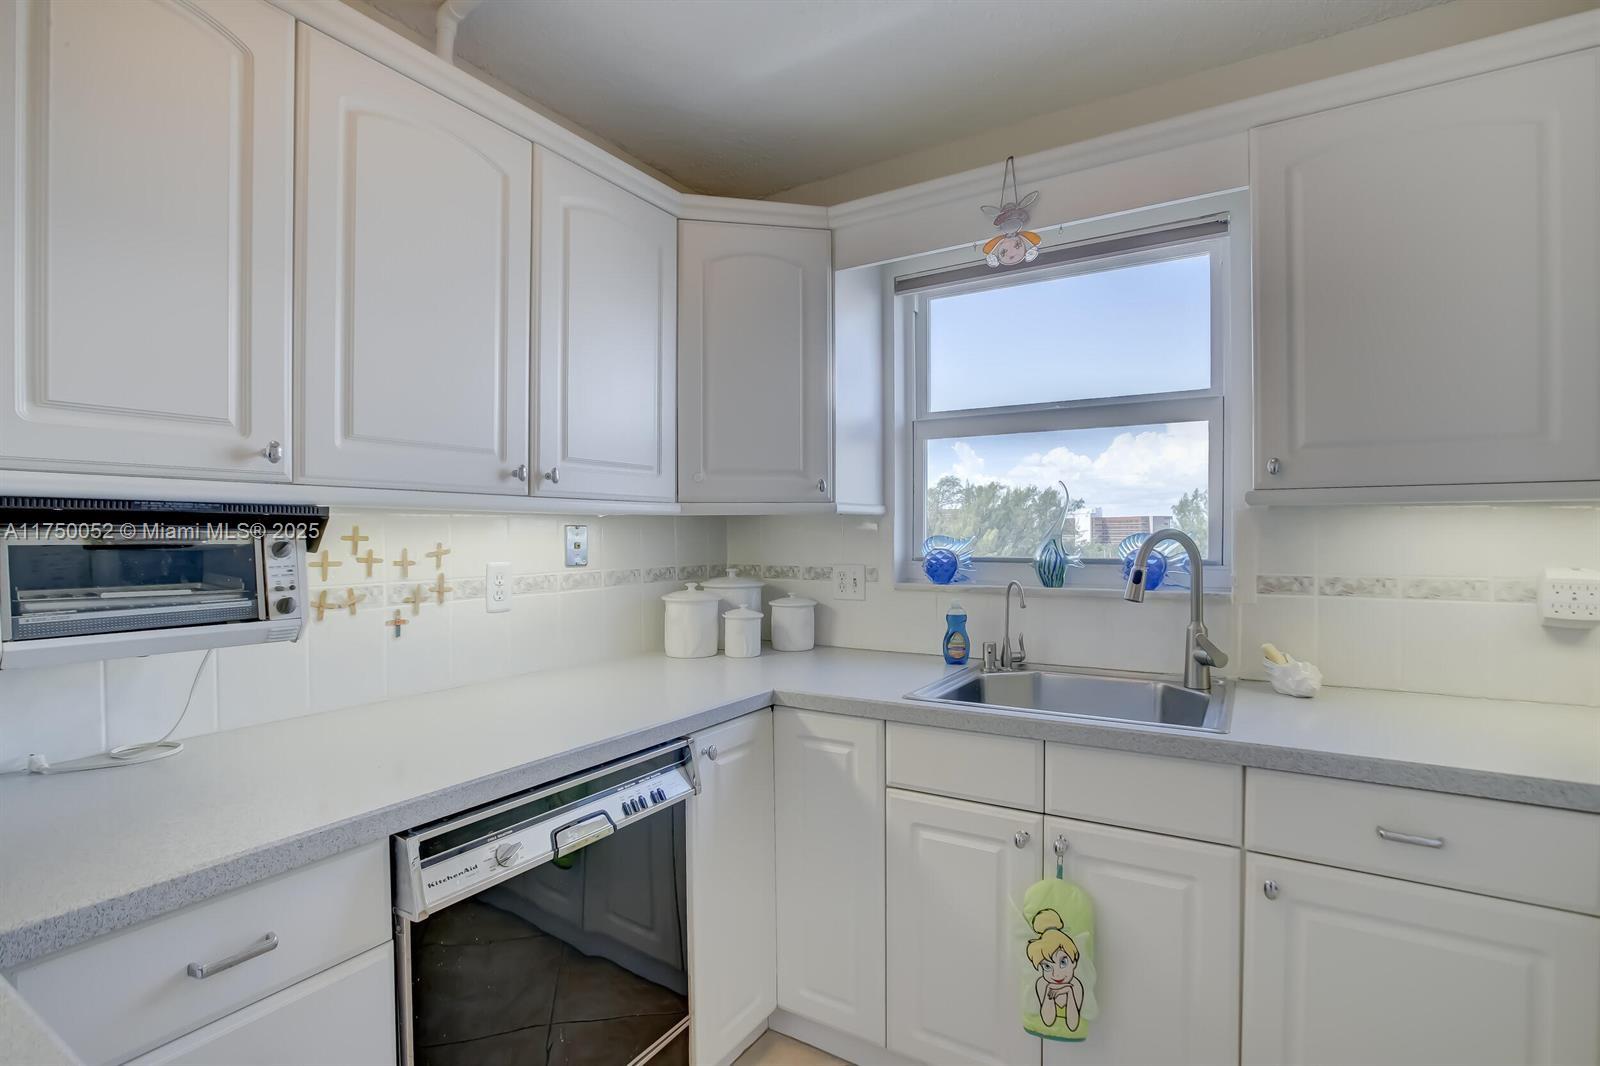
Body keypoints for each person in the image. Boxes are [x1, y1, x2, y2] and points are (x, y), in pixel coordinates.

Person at [1026, 908, 1084, 1032]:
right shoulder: (1042, 984)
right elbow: (1048, 1021)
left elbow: (1073, 1025)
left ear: (1074, 962)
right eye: (1047, 967)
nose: (1056, 974)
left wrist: (1069, 991)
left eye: (1063, 962)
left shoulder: (1076, 985)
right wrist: (1049, 989)